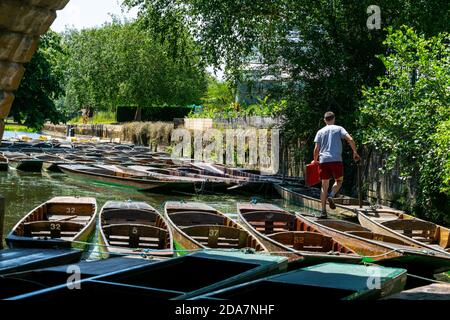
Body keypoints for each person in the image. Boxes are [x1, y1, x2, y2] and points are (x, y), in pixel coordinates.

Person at [313, 111, 360, 218]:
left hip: (324, 160)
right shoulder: (339, 129)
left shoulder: (320, 131)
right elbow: (350, 140)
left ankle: (323, 212)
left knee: (324, 186)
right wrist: (355, 152)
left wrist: (315, 160)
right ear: (334, 119)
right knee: (339, 180)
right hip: (336, 160)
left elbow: (316, 149)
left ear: (325, 120)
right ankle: (331, 195)